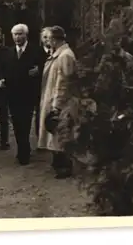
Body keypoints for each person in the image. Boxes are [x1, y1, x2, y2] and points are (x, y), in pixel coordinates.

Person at [38, 26, 78, 179]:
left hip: (60, 102)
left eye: (49, 38)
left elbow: (65, 83)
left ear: (55, 39)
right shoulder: (57, 54)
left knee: (60, 133)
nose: (47, 41)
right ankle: (58, 163)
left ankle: (64, 166)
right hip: (52, 97)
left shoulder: (65, 56)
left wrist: (57, 105)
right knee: (55, 135)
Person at [5, 23, 42, 165]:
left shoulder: (35, 51)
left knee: (26, 122)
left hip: (28, 93)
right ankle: (21, 148)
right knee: (16, 123)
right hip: (13, 94)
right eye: (15, 34)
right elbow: (6, 71)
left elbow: (43, 67)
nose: (17, 37)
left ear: (26, 35)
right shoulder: (8, 53)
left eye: (20, 34)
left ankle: (24, 151)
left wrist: (37, 71)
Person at [34, 27, 53, 139]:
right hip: (40, 86)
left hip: (54, 86)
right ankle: (40, 136)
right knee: (40, 112)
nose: (47, 40)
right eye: (45, 37)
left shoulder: (58, 52)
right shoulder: (37, 53)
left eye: (49, 37)